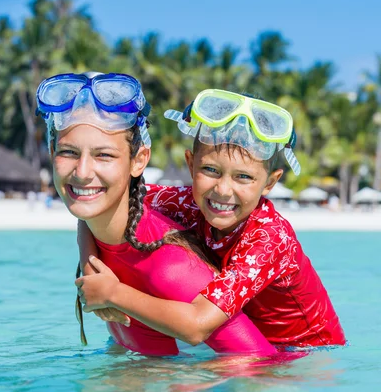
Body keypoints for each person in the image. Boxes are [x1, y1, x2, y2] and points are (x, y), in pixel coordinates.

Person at [77, 89, 346, 348]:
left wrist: (112, 294)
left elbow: (197, 326)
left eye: (244, 177)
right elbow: (104, 199)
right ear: (191, 165)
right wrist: (90, 267)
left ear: (269, 183)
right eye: (210, 170)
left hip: (306, 353)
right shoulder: (186, 203)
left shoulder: (270, 238)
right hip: (247, 340)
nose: (223, 190)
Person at [37, 73, 275, 356]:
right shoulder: (104, 230)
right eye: (68, 152)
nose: (83, 172)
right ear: (52, 152)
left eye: (104, 156)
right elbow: (86, 213)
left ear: (139, 161)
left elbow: (258, 362)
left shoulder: (171, 268)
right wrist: (88, 261)